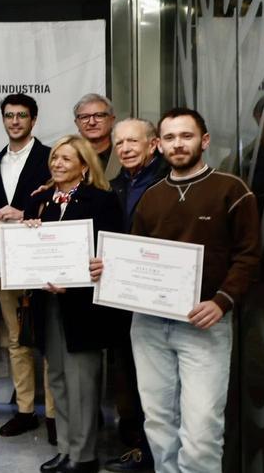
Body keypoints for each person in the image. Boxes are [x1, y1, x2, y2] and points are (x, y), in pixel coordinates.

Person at [90, 107, 262, 473]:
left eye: (186, 136)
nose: (178, 144)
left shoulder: (231, 190)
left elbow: (248, 257)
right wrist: (109, 268)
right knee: (159, 426)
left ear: (205, 140)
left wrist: (222, 302)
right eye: (170, 138)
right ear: (159, 145)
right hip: (149, 326)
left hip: (203, 325)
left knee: (201, 432)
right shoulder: (152, 196)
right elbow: (136, 256)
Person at [27, 136, 124, 473]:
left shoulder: (102, 200)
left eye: (67, 159)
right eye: (55, 157)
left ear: (84, 165)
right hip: (48, 305)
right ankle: (66, 448)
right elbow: (30, 251)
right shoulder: (42, 202)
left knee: (82, 382)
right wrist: (28, 232)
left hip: (83, 309)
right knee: (57, 379)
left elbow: (110, 254)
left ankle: (84, 456)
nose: (58, 163)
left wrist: (92, 269)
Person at [0, 94, 54, 439]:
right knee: (16, 338)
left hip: (44, 261)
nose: (15, 121)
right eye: (9, 116)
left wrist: (25, 215)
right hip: (6, 262)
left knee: (48, 339)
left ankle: (55, 415)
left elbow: (59, 208)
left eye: (21, 116)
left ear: (33, 119)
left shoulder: (51, 157)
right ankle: (26, 410)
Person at [103, 119, 166, 472]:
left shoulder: (167, 181)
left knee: (155, 377)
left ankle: (154, 452)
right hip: (124, 293)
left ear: (153, 144)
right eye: (120, 143)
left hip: (160, 292)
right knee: (130, 370)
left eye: (133, 141)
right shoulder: (116, 186)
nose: (125, 148)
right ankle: (139, 446)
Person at [74, 93, 121, 181]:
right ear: (77, 123)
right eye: (84, 117)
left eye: (99, 115)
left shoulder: (124, 153)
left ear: (112, 120)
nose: (92, 122)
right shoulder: (66, 156)